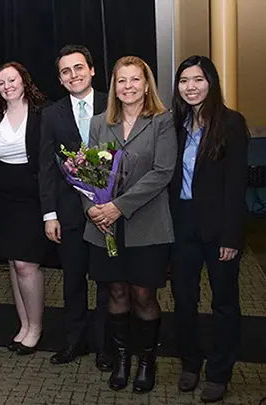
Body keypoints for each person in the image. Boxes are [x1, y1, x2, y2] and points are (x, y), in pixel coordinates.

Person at [85, 56, 176, 393]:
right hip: (104, 226)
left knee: (143, 295)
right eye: (121, 81)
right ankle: (122, 360)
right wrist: (93, 210)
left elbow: (163, 172)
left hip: (147, 224)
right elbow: (85, 172)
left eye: (135, 80)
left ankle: (146, 362)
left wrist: (118, 207)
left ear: (146, 83)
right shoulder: (98, 123)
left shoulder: (162, 122)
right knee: (116, 291)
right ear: (114, 86)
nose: (128, 87)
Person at [169, 55, 249, 403]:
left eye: (198, 79)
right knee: (183, 299)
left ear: (211, 82)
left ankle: (219, 372)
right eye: (184, 81)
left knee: (224, 302)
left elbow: (235, 186)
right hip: (181, 223)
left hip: (218, 227)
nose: (191, 87)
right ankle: (190, 363)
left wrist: (231, 236)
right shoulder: (172, 124)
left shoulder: (231, 123)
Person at [38, 45, 112, 370]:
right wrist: (49, 214)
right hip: (68, 214)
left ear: (92, 70)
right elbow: (46, 167)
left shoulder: (114, 102)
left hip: (109, 210)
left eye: (79, 68)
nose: (74, 75)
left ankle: (106, 345)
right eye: (66, 71)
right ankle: (74, 341)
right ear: (60, 78)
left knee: (108, 281)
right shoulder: (52, 114)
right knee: (72, 281)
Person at [0, 62, 52, 355]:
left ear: (24, 81)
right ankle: (24, 325)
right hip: (4, 199)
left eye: (12, 80)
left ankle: (36, 326)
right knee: (13, 262)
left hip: (34, 198)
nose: (7, 86)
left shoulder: (43, 112)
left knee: (26, 264)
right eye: (1, 82)